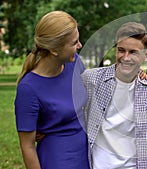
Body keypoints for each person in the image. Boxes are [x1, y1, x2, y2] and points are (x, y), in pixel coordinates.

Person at [14, 11, 90, 169]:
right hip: (59, 160)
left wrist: (137, 76)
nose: (80, 45)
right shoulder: (28, 89)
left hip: (87, 155)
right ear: (55, 50)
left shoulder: (75, 63)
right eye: (74, 42)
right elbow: (27, 147)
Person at [81, 22, 147, 169]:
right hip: (98, 165)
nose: (125, 57)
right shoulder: (91, 79)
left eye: (133, 52)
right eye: (121, 50)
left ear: (146, 55)